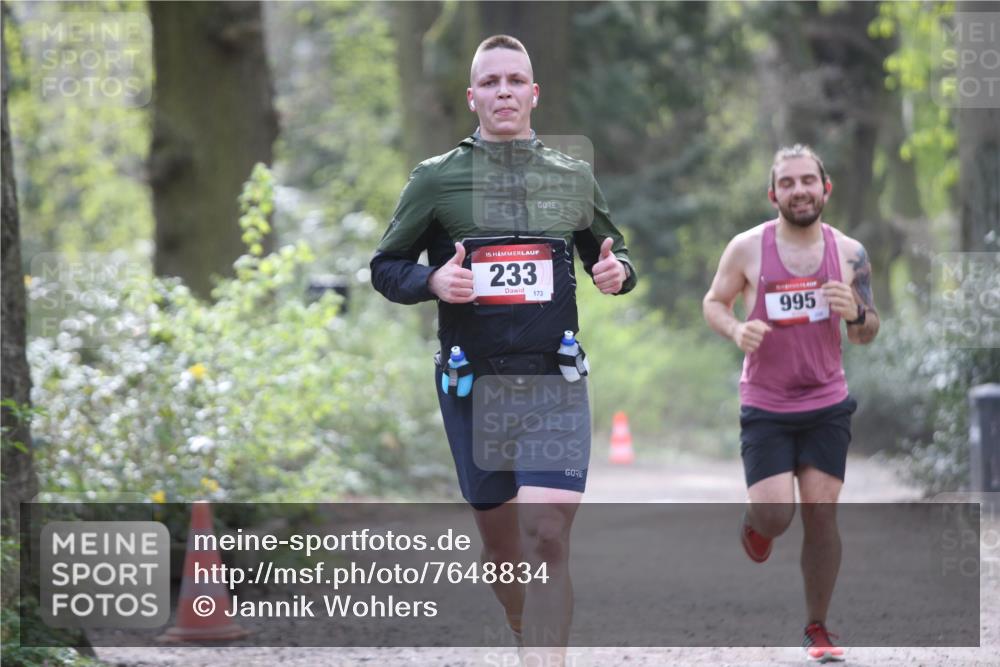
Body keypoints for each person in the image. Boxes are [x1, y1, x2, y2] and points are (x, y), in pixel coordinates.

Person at [370, 34, 636, 665]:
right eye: (490, 83)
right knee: (503, 550)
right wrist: (431, 280)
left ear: (534, 94)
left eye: (515, 80)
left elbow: (613, 250)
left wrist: (616, 272)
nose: (504, 92)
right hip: (472, 384)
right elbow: (385, 267)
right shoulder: (436, 180)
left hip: (553, 379)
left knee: (546, 534)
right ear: (472, 98)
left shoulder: (571, 176)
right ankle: (523, 627)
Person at [703, 145, 880, 663]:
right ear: (773, 193)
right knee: (778, 513)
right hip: (766, 403)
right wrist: (736, 328)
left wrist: (856, 315)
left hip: (827, 400)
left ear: (825, 188)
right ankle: (757, 522)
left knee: (822, 515)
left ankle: (817, 627)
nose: (799, 189)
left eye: (808, 180)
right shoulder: (747, 249)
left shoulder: (850, 253)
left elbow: (868, 332)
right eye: (787, 182)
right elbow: (715, 302)